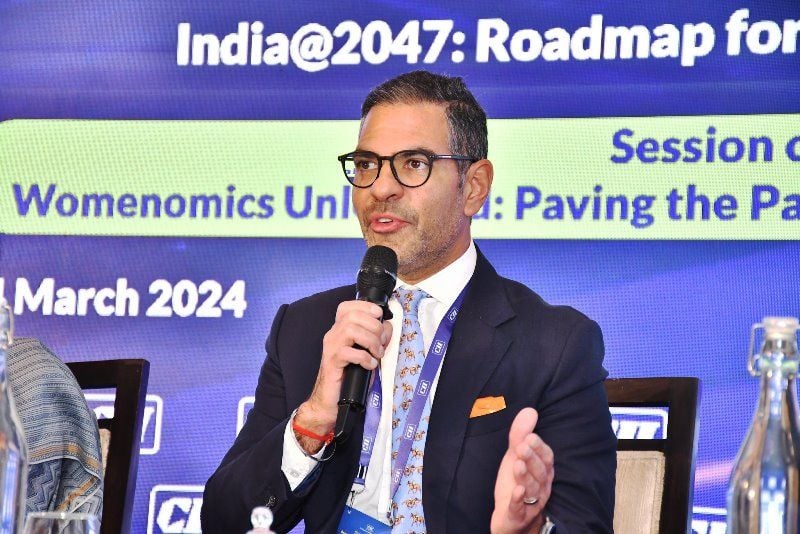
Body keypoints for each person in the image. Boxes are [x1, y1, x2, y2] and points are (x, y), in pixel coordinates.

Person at [202, 70, 616, 533]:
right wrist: (313, 420)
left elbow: (585, 524)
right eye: (366, 164)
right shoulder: (305, 328)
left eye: (413, 163)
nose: (381, 188)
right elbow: (226, 522)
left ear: (474, 187)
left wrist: (528, 529)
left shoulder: (552, 345)